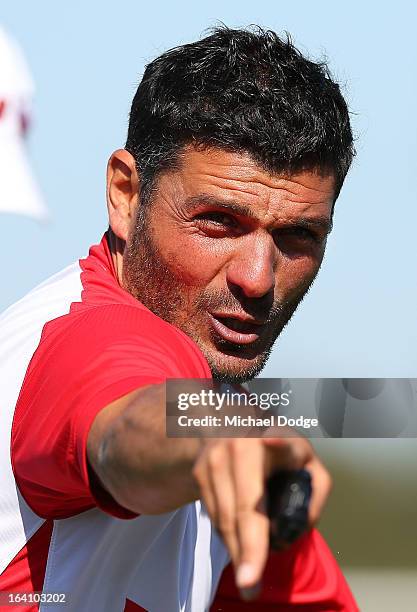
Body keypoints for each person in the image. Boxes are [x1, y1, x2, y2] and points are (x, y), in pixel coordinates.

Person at [0, 27, 358, 611]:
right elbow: (130, 419)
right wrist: (211, 436)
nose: (259, 277)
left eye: (298, 236)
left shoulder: (245, 459)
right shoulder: (88, 335)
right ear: (125, 194)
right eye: (218, 222)